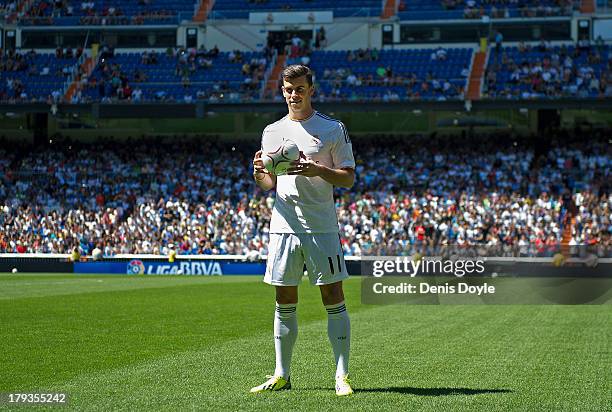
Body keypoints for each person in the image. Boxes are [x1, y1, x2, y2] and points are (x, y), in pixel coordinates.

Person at [250, 64, 356, 396]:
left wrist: (318, 170)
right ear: (281, 91)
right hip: (283, 227)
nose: (293, 95)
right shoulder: (272, 131)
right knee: (284, 298)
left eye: (299, 89)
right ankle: (282, 374)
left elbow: (349, 178)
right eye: (288, 90)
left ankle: (341, 376)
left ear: (311, 90)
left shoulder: (331, 129)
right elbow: (269, 183)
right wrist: (258, 174)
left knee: (333, 297)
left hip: (321, 226)